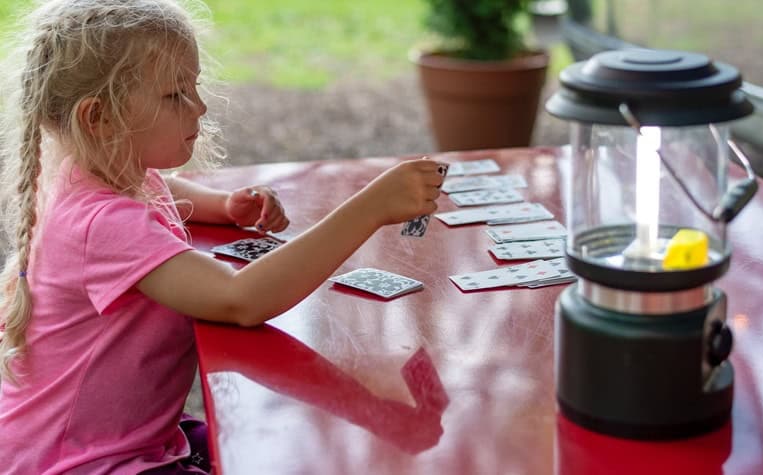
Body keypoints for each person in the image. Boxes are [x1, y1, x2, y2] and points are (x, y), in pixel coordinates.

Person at [0, 0, 444, 473]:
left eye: (194, 87)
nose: (201, 106)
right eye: (175, 95)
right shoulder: (101, 224)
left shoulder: (97, 173)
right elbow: (240, 299)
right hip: (82, 464)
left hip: (115, 441)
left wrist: (222, 205)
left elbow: (160, 187)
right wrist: (371, 207)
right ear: (99, 119)